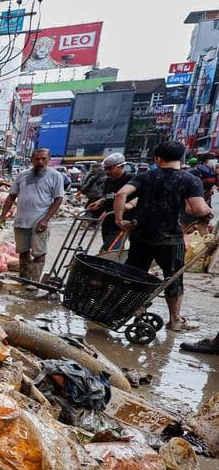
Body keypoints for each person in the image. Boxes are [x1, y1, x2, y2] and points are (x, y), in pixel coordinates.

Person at [113, 140, 214, 331]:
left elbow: (121, 194)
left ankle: (132, 310)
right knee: (173, 278)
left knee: (135, 274)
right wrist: (208, 211)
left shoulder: (144, 176)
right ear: (181, 158)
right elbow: (199, 209)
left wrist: (119, 220)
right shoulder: (190, 179)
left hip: (140, 236)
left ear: (158, 158)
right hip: (170, 240)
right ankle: (175, 320)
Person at [0, 148, 65, 283]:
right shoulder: (22, 175)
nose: (40, 162)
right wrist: (3, 215)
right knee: (23, 252)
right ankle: (23, 279)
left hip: (40, 221)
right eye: (37, 159)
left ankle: (34, 282)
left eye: (43, 158)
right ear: (32, 160)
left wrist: (46, 220)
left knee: (39, 253)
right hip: (21, 221)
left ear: (48, 159)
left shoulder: (55, 176)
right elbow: (11, 196)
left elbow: (58, 199)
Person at [85, 153, 133, 251]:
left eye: (110, 168)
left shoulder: (130, 180)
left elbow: (141, 196)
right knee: (111, 251)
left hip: (122, 223)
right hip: (108, 220)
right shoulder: (108, 181)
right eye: (106, 168)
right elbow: (108, 196)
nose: (107, 171)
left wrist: (130, 205)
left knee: (108, 251)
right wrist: (100, 201)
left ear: (121, 166)